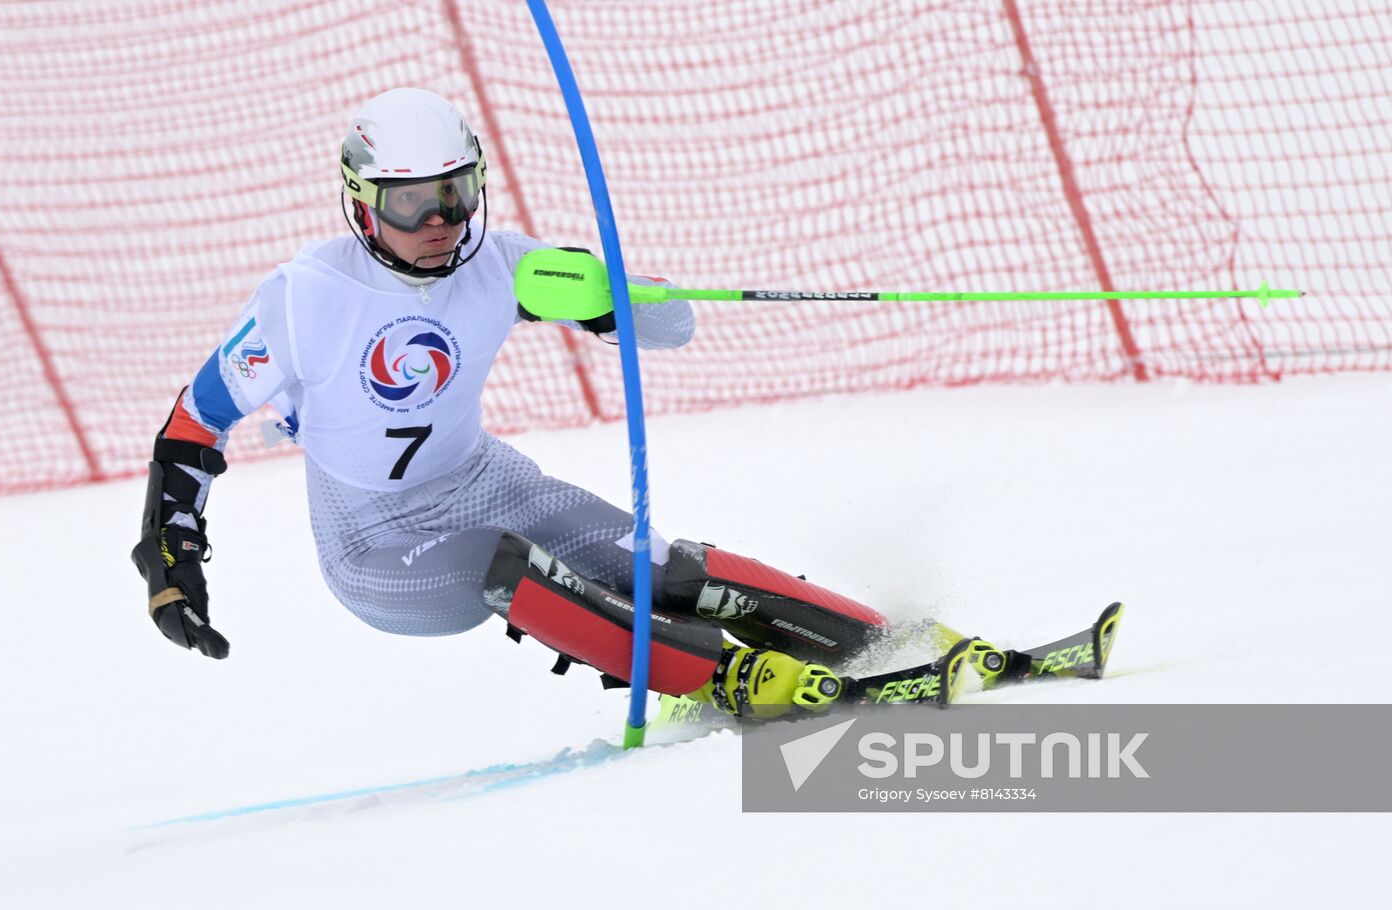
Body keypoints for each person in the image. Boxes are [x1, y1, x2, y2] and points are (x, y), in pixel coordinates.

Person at [129, 87, 895, 718]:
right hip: (374, 542)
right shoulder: (303, 299)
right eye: (411, 204)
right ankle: (719, 680)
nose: (439, 223)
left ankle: (876, 640)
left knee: (659, 567)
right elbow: (195, 425)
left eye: (456, 195)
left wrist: (607, 298)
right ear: (363, 204)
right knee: (505, 564)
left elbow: (674, 327)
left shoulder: (499, 263)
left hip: (492, 482)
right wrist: (171, 556)